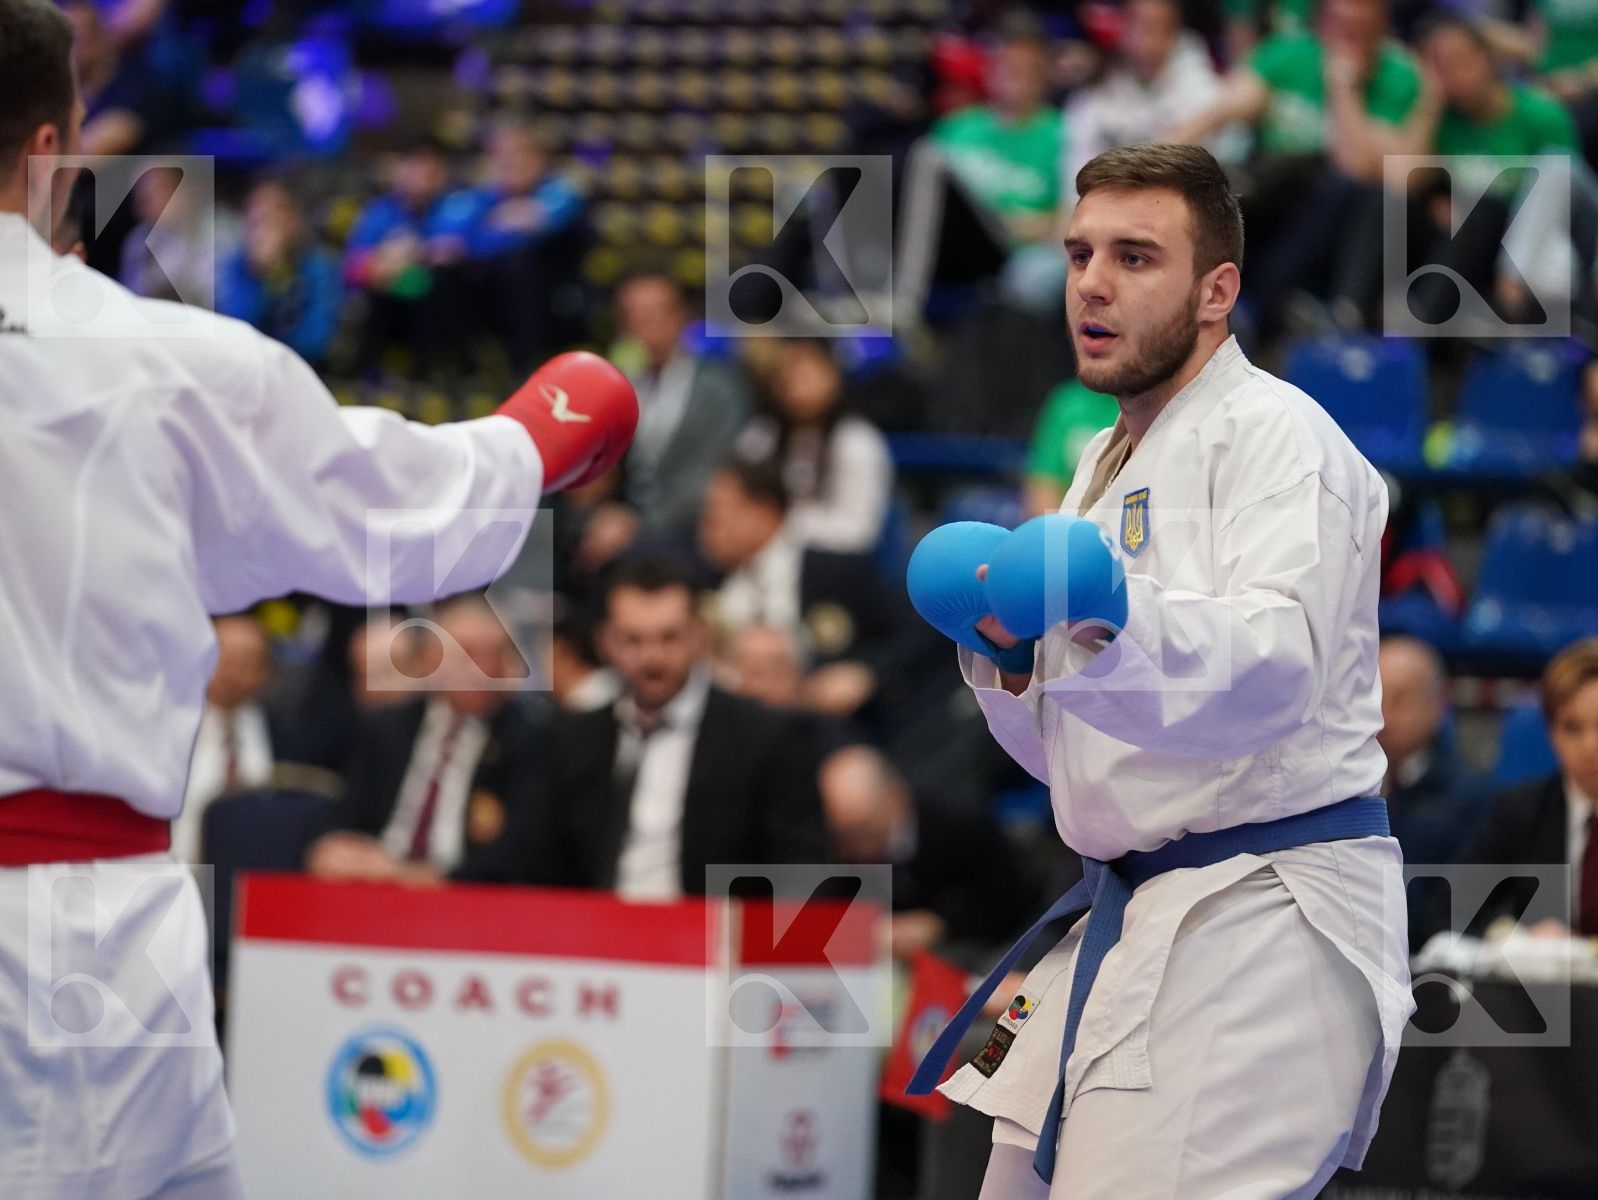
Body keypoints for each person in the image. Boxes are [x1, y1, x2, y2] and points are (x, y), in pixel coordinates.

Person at [0, 4, 638, 1195]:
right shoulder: (150, 357)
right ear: (51, 152)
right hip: (62, 929)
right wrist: (545, 432)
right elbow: (384, 516)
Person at [902, 144, 1412, 1197]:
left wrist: (1113, 613)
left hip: (1257, 914)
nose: (1090, 282)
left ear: (1215, 289)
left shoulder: (1280, 438)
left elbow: (1276, 672)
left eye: (1135, 257)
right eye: (1080, 252)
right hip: (1125, 906)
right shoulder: (1099, 459)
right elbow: (1075, 758)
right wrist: (1005, 666)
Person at [458, 558, 828, 896]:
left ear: (700, 635)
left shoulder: (764, 737)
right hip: (598, 947)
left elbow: (801, 875)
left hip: (719, 947)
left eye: (669, 637)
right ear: (606, 643)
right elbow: (540, 867)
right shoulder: (571, 739)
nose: (652, 657)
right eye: (633, 640)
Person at [304, 595, 542, 884]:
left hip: (464, 897)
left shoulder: (526, 739)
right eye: (469, 653)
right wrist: (335, 847)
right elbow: (346, 815)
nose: (484, 668)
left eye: (496, 654)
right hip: (377, 885)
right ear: (432, 657)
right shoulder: (389, 727)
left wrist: (432, 878)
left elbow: (520, 854)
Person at [574, 273, 754, 571]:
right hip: (619, 525)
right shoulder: (619, 385)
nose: (642, 322)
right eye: (631, 313)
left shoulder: (720, 387)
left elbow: (713, 473)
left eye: (654, 311)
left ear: (682, 315)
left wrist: (638, 524)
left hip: (689, 529)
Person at [1463, 637, 1598, 936]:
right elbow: (1451, 914)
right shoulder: (1519, 811)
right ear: (1552, 735)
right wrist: (1511, 937)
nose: (1590, 746)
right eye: (1572, 727)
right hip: (1546, 980)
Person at [1376, 634, 1490, 945]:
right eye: (1375, 699)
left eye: (1398, 699)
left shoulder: (1469, 798)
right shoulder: (1341, 785)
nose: (1383, 715)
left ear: (1439, 701)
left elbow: (1455, 908)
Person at [735, 338, 894, 554]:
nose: (795, 384)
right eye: (787, 373)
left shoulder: (857, 441)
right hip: (761, 551)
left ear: (832, 375)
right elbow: (738, 505)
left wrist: (783, 525)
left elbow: (858, 532)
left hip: (828, 560)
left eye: (806, 372)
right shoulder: (761, 436)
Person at [172, 614, 278, 866]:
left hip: (248, 874)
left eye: (245, 661)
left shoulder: (285, 731)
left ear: (265, 671)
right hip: (176, 866)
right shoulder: (170, 725)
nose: (231, 672)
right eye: (222, 658)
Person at [217, 177, 344, 368]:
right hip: (245, 369)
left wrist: (279, 275)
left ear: (294, 219)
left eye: (273, 211)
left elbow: (317, 341)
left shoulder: (319, 266)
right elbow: (235, 328)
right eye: (254, 211)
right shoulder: (239, 264)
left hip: (301, 372)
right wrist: (259, 275)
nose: (260, 219)